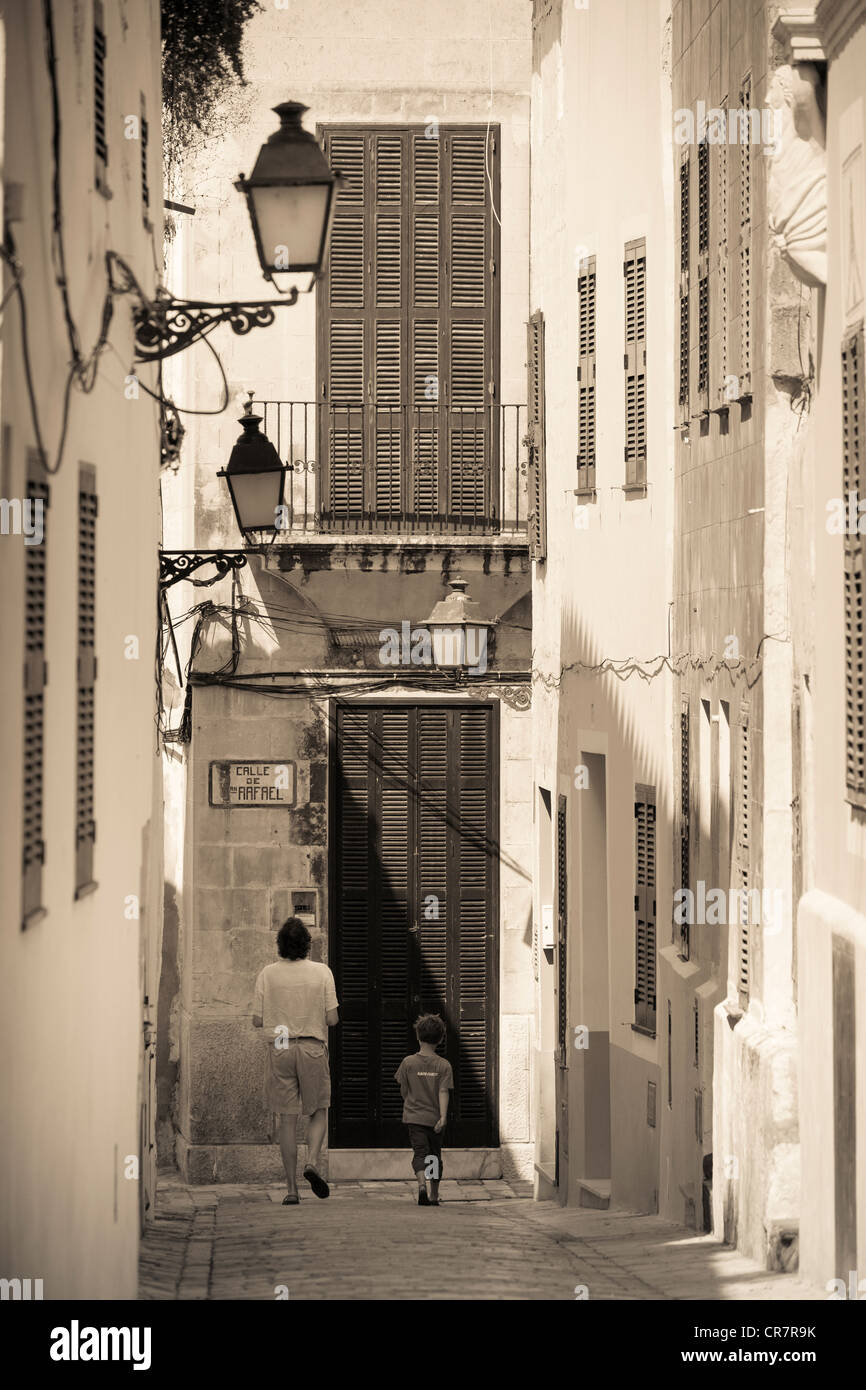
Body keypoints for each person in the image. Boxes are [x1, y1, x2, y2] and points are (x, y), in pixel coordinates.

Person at [252, 917, 339, 1205]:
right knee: (319, 1109)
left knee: (286, 1119)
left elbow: (257, 1019)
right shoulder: (322, 971)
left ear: (280, 945)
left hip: (280, 1043)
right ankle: (312, 1161)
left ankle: (291, 1189)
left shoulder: (268, 973)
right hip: (312, 1043)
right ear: (306, 945)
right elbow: (332, 1018)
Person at [394, 1014, 453, 1206]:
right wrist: (443, 1117)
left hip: (414, 1118)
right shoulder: (444, 1066)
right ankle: (434, 1195)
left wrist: (410, 1101)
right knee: (434, 1155)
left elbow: (403, 1089)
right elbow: (443, 1091)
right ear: (441, 1038)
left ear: (418, 1037)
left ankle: (421, 1185)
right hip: (435, 1119)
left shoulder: (408, 1062)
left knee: (420, 1153)